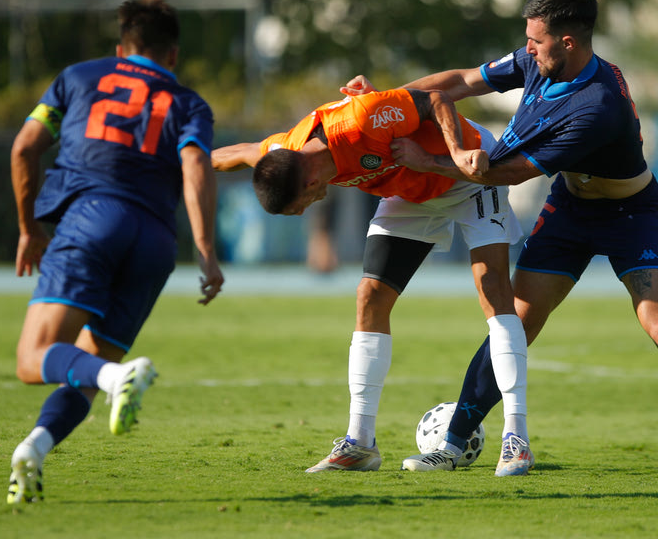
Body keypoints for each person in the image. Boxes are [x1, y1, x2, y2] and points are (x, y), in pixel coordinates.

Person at [345, 0, 658, 479]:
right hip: (570, 209)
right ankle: (454, 445)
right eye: (526, 39)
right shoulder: (539, 60)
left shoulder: (595, 106)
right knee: (514, 321)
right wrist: (388, 105)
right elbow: (460, 80)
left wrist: (425, 159)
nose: (526, 49)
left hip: (631, 217)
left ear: (568, 41)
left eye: (535, 40)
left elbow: (503, 171)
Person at [212, 87, 533, 476]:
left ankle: (516, 439)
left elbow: (433, 97)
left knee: (493, 291)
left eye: (300, 206)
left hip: (467, 175)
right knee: (370, 297)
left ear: (310, 181)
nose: (304, 211)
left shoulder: (364, 119)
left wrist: (455, 152)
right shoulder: (284, 150)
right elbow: (235, 154)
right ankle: (360, 443)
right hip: (409, 193)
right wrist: (172, 162)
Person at [7, 0, 224, 504]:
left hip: (92, 221)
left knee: (32, 359)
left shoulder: (78, 77)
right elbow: (196, 168)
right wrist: (207, 251)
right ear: (172, 55)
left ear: (121, 47)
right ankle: (33, 450)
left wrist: (27, 228)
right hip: (154, 242)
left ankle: (116, 377)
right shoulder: (190, 104)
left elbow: (24, 147)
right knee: (86, 363)